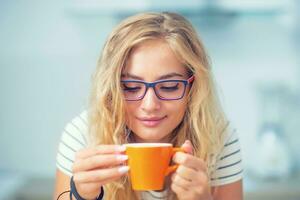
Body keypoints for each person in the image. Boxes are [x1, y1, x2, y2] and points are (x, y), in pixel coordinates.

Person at [54, 12, 243, 200]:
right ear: (111, 89)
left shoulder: (218, 137)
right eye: (131, 87)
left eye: (169, 87)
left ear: (193, 87)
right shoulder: (84, 133)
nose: (150, 105)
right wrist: (81, 195)